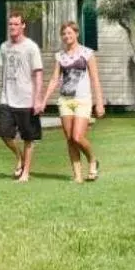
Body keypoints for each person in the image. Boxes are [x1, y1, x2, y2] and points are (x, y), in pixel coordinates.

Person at [42, 21, 105, 183]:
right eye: (64, 34)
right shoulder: (60, 56)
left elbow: (95, 79)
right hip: (65, 100)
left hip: (82, 100)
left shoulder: (87, 53)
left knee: (77, 137)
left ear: (76, 34)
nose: (66, 36)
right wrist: (44, 100)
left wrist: (99, 103)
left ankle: (92, 160)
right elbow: (55, 79)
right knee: (69, 138)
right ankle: (77, 175)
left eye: (70, 33)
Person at [0, 12, 45, 182]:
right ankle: (20, 158)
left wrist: (38, 99)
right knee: (4, 134)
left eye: (16, 24)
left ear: (23, 26)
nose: (12, 27)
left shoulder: (31, 47)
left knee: (28, 137)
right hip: (7, 98)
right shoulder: (4, 47)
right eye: (10, 24)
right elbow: (3, 72)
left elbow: (38, 74)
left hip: (26, 99)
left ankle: (26, 173)